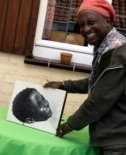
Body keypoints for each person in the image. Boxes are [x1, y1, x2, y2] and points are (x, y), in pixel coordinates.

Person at [44, 0, 126, 154]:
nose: (86, 29)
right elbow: (96, 83)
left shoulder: (117, 53)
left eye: (91, 22)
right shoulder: (108, 46)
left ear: (107, 21)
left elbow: (99, 100)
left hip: (118, 142)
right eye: (81, 25)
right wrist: (64, 85)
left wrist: (67, 126)